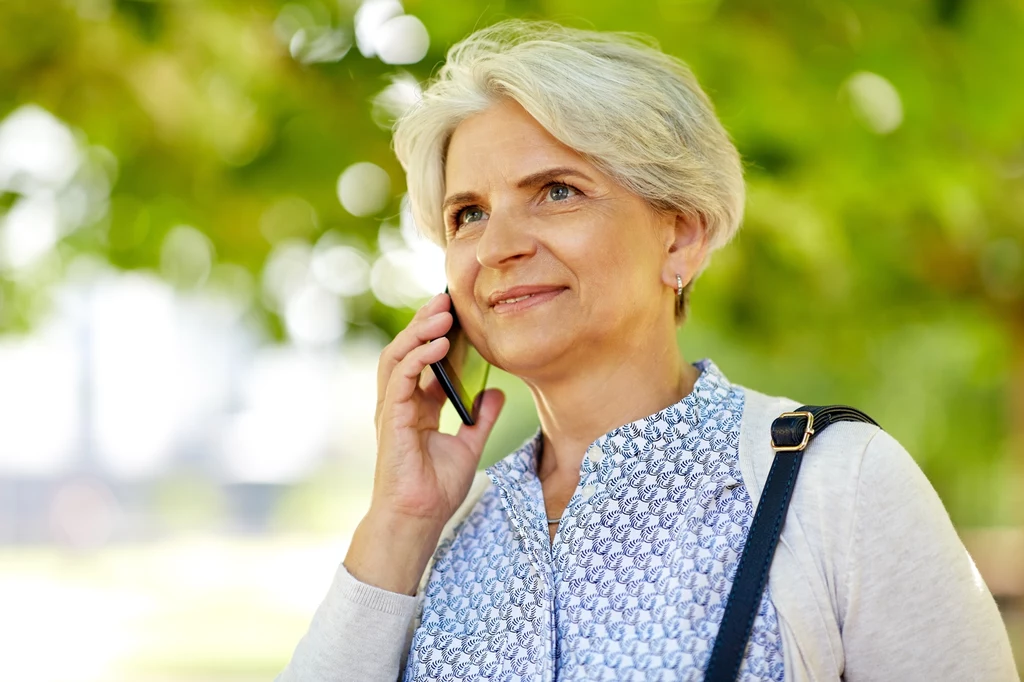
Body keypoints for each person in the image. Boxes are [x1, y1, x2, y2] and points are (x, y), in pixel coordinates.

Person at [277, 20, 1018, 681]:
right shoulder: (440, 533)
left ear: (682, 235)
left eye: (558, 191)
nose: (498, 248)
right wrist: (400, 522)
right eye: (468, 214)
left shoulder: (835, 483)